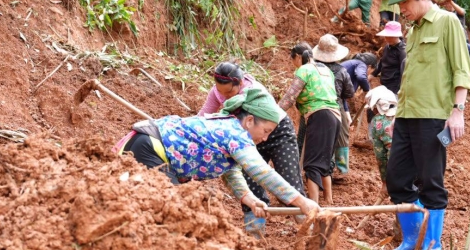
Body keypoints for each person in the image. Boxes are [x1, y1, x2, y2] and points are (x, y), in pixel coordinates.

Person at [114, 88, 320, 238]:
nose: (265, 139)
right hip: (149, 148)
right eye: (265, 131)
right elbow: (261, 171)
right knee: (170, 214)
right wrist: (301, 201)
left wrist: (248, 198)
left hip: (148, 146)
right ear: (249, 121)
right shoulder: (236, 133)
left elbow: (231, 171)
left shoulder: (230, 130)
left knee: (168, 213)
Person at [383, 0, 470, 250]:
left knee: (430, 181)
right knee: (397, 178)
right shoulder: (414, 30)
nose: (402, 11)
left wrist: (457, 110)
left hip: (434, 115)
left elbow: (462, 69)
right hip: (407, 115)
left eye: (405, 3)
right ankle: (412, 239)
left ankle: (432, 248)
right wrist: (400, 110)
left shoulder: (447, 22)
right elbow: (409, 76)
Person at [197, 62, 306, 236]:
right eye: (220, 92)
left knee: (290, 180)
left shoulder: (255, 90)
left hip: (277, 131)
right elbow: (204, 115)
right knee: (251, 186)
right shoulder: (217, 92)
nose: (224, 97)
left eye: (230, 93)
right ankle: (255, 236)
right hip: (247, 137)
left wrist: (263, 134)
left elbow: (265, 171)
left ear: (239, 83)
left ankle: (310, 231)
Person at [278, 42, 341, 204]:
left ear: (298, 57)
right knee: (324, 162)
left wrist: (273, 114)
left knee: (311, 164)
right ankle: (329, 201)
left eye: (293, 60)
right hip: (335, 116)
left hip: (320, 115)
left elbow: (290, 97)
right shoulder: (325, 70)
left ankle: (313, 205)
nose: (293, 64)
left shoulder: (304, 70)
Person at [311, 34, 355, 180]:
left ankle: (319, 169)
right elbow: (349, 92)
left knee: (319, 138)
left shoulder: (312, 68)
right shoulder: (342, 71)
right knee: (341, 136)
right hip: (336, 106)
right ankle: (342, 171)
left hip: (315, 106)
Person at [365, 85, 398, 197]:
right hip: (415, 168)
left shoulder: (377, 122)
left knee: (400, 199)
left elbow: (381, 156)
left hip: (395, 168)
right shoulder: (404, 116)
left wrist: (385, 182)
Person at [373, 21, 407, 95]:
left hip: (395, 86)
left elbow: (404, 71)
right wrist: (373, 74)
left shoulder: (402, 51)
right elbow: (382, 61)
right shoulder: (387, 47)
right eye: (386, 36)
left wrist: (402, 88)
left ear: (397, 36)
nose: (387, 38)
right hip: (385, 83)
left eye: (391, 36)